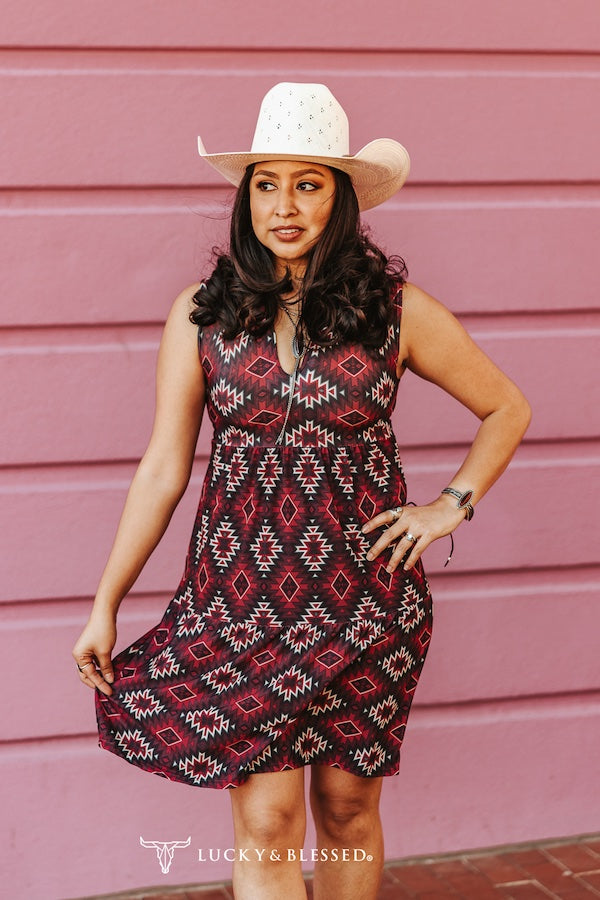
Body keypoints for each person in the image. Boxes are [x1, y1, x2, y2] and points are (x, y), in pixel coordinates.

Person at [72, 82, 531, 900]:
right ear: (246, 197)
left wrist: (449, 506)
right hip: (239, 603)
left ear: (340, 199)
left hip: (368, 601)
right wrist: (106, 602)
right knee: (266, 820)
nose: (284, 206)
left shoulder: (398, 313)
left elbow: (507, 407)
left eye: (308, 184)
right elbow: (164, 467)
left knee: (348, 811)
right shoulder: (200, 317)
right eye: (266, 184)